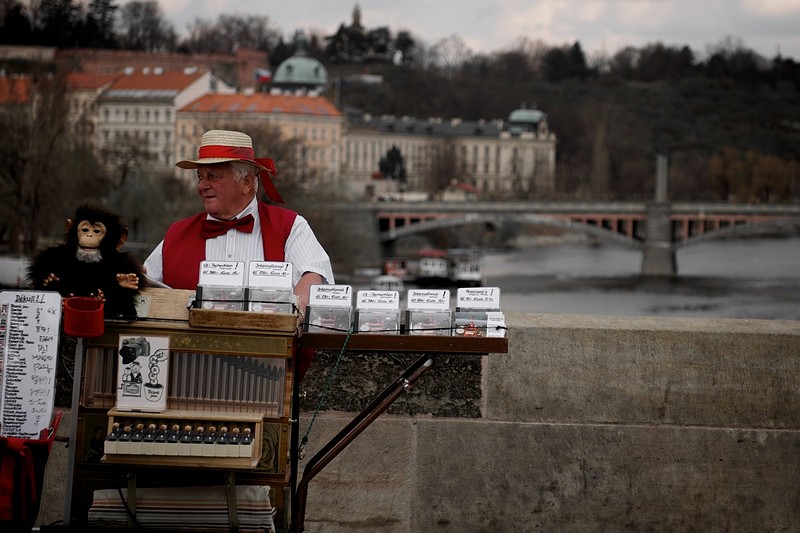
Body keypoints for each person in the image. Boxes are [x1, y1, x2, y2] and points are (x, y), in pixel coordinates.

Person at [144, 129, 334, 376]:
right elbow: (145, 287)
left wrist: (289, 318)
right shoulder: (176, 233)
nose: (202, 186)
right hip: (186, 372)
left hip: (265, 371)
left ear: (246, 182)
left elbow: (314, 277)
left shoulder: (290, 226)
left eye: (212, 176)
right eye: (200, 177)